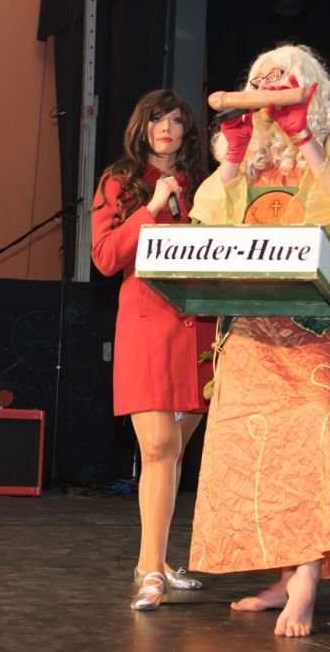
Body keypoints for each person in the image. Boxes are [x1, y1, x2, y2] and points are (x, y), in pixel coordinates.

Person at [188, 43, 330, 637]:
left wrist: (305, 138)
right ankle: (282, 577)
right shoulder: (247, 154)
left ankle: (307, 580)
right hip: (251, 326)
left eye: (279, 76)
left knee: (309, 444)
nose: (267, 84)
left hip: (312, 325)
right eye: (259, 77)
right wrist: (234, 160)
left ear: (305, 86)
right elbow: (207, 219)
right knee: (255, 452)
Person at [90, 89, 216, 611]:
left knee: (171, 453)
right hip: (146, 329)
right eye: (157, 119)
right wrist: (150, 208)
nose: (166, 127)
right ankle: (149, 570)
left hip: (199, 332)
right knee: (160, 447)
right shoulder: (120, 181)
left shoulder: (205, 185)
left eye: (177, 120)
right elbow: (104, 258)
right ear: (142, 127)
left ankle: (158, 560)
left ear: (188, 132)